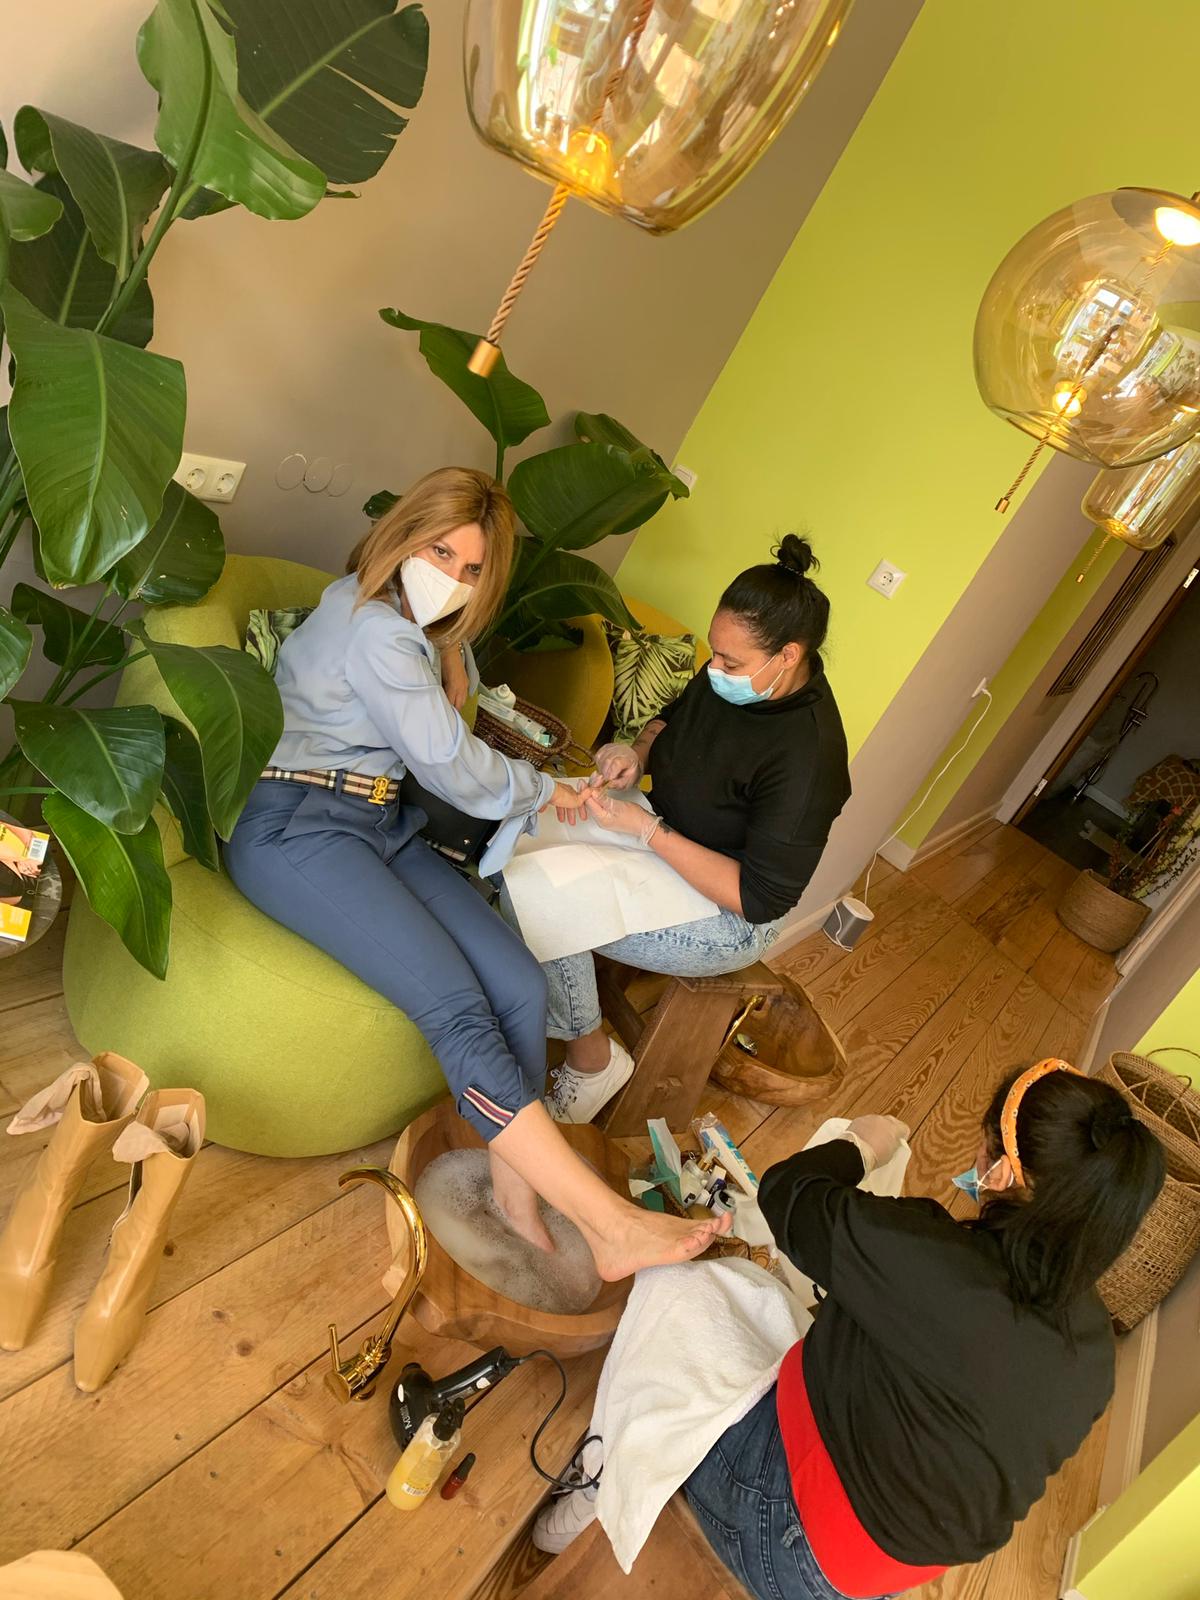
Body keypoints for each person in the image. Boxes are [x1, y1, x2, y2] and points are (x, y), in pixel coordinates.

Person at [225, 467, 728, 1278]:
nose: (451, 579)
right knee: (460, 1007)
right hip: (297, 830)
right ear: (404, 537)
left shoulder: (395, 619)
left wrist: (453, 648)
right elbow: (457, 771)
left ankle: (515, 1180)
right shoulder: (376, 629)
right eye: (440, 552)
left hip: (377, 824)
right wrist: (552, 791)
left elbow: (426, 746)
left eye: (470, 571)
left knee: (522, 985)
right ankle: (606, 1223)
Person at [678, 1061, 1165, 1600]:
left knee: (679, 1285)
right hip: (876, 1578)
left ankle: (598, 1478)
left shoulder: (933, 1257)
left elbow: (787, 1190)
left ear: (999, 1172)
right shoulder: (1096, 1353)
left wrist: (861, 1145)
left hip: (784, 1534)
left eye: (983, 1147)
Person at [507, 534, 851, 1125]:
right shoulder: (732, 679)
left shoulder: (807, 759)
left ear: (788, 656)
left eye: (729, 662)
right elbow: (672, 720)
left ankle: (591, 1059)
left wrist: (648, 834)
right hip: (660, 839)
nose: (714, 669)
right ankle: (536, 1006)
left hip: (724, 913)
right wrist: (634, 753)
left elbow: (757, 898)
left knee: (536, 896)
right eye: (714, 654)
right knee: (517, 834)